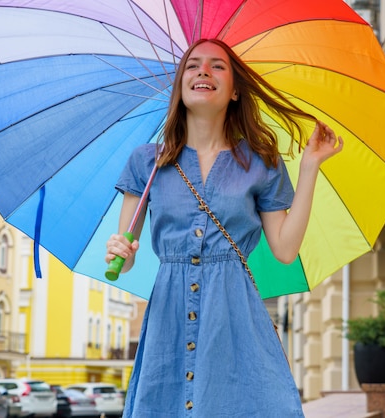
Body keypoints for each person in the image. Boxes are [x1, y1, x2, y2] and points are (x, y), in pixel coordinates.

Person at [105, 38, 343, 417]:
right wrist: (121, 250)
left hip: (234, 315)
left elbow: (284, 249)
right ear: (180, 87)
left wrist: (311, 166)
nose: (203, 71)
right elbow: (127, 252)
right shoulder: (147, 162)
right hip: (169, 311)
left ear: (234, 91)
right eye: (193, 65)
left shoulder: (261, 163)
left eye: (218, 66)